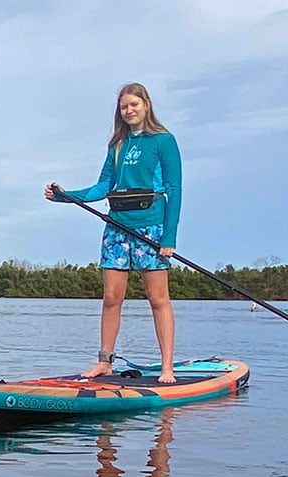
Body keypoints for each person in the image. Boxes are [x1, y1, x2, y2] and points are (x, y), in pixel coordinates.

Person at [46, 82, 183, 382]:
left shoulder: (163, 141)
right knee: (111, 298)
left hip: (151, 228)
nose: (129, 110)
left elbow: (174, 189)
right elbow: (102, 187)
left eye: (134, 104)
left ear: (146, 105)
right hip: (117, 227)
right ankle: (104, 362)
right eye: (124, 106)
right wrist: (65, 196)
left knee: (158, 299)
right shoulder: (117, 145)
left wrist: (169, 238)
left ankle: (167, 368)